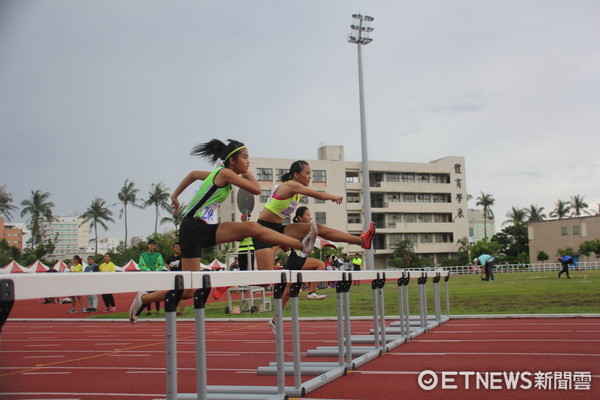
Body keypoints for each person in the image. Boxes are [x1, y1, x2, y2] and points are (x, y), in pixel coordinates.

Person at [129, 139, 319, 323]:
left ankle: (299, 244)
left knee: (252, 228)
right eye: (245, 157)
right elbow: (256, 190)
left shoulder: (219, 174)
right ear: (232, 160)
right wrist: (248, 174)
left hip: (206, 228)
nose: (248, 161)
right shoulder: (226, 174)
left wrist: (176, 195)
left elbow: (193, 174)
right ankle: (144, 299)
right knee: (188, 291)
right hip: (192, 229)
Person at [253, 159, 375, 283]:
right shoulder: (291, 185)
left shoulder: (296, 190)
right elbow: (319, 195)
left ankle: (362, 241)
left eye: (310, 173)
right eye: (307, 173)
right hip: (263, 230)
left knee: (317, 227)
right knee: (266, 282)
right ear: (296, 175)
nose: (310, 177)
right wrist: (334, 197)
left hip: (279, 228)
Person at [138, 239, 165, 316]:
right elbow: (140, 265)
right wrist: (147, 270)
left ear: (155, 246)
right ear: (148, 245)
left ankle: (157, 310)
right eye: (151, 245)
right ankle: (148, 310)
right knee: (148, 293)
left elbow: (161, 264)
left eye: (153, 245)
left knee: (157, 292)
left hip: (156, 276)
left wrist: (157, 270)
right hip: (147, 276)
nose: (152, 247)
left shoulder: (158, 255)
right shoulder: (143, 255)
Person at [165, 242, 186, 315]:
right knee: (173, 294)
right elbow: (165, 263)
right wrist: (169, 269)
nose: (177, 248)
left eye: (178, 247)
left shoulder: (183, 256)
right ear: (173, 248)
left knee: (182, 295)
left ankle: (180, 312)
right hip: (172, 277)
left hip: (181, 277)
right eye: (176, 247)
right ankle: (173, 308)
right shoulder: (171, 258)